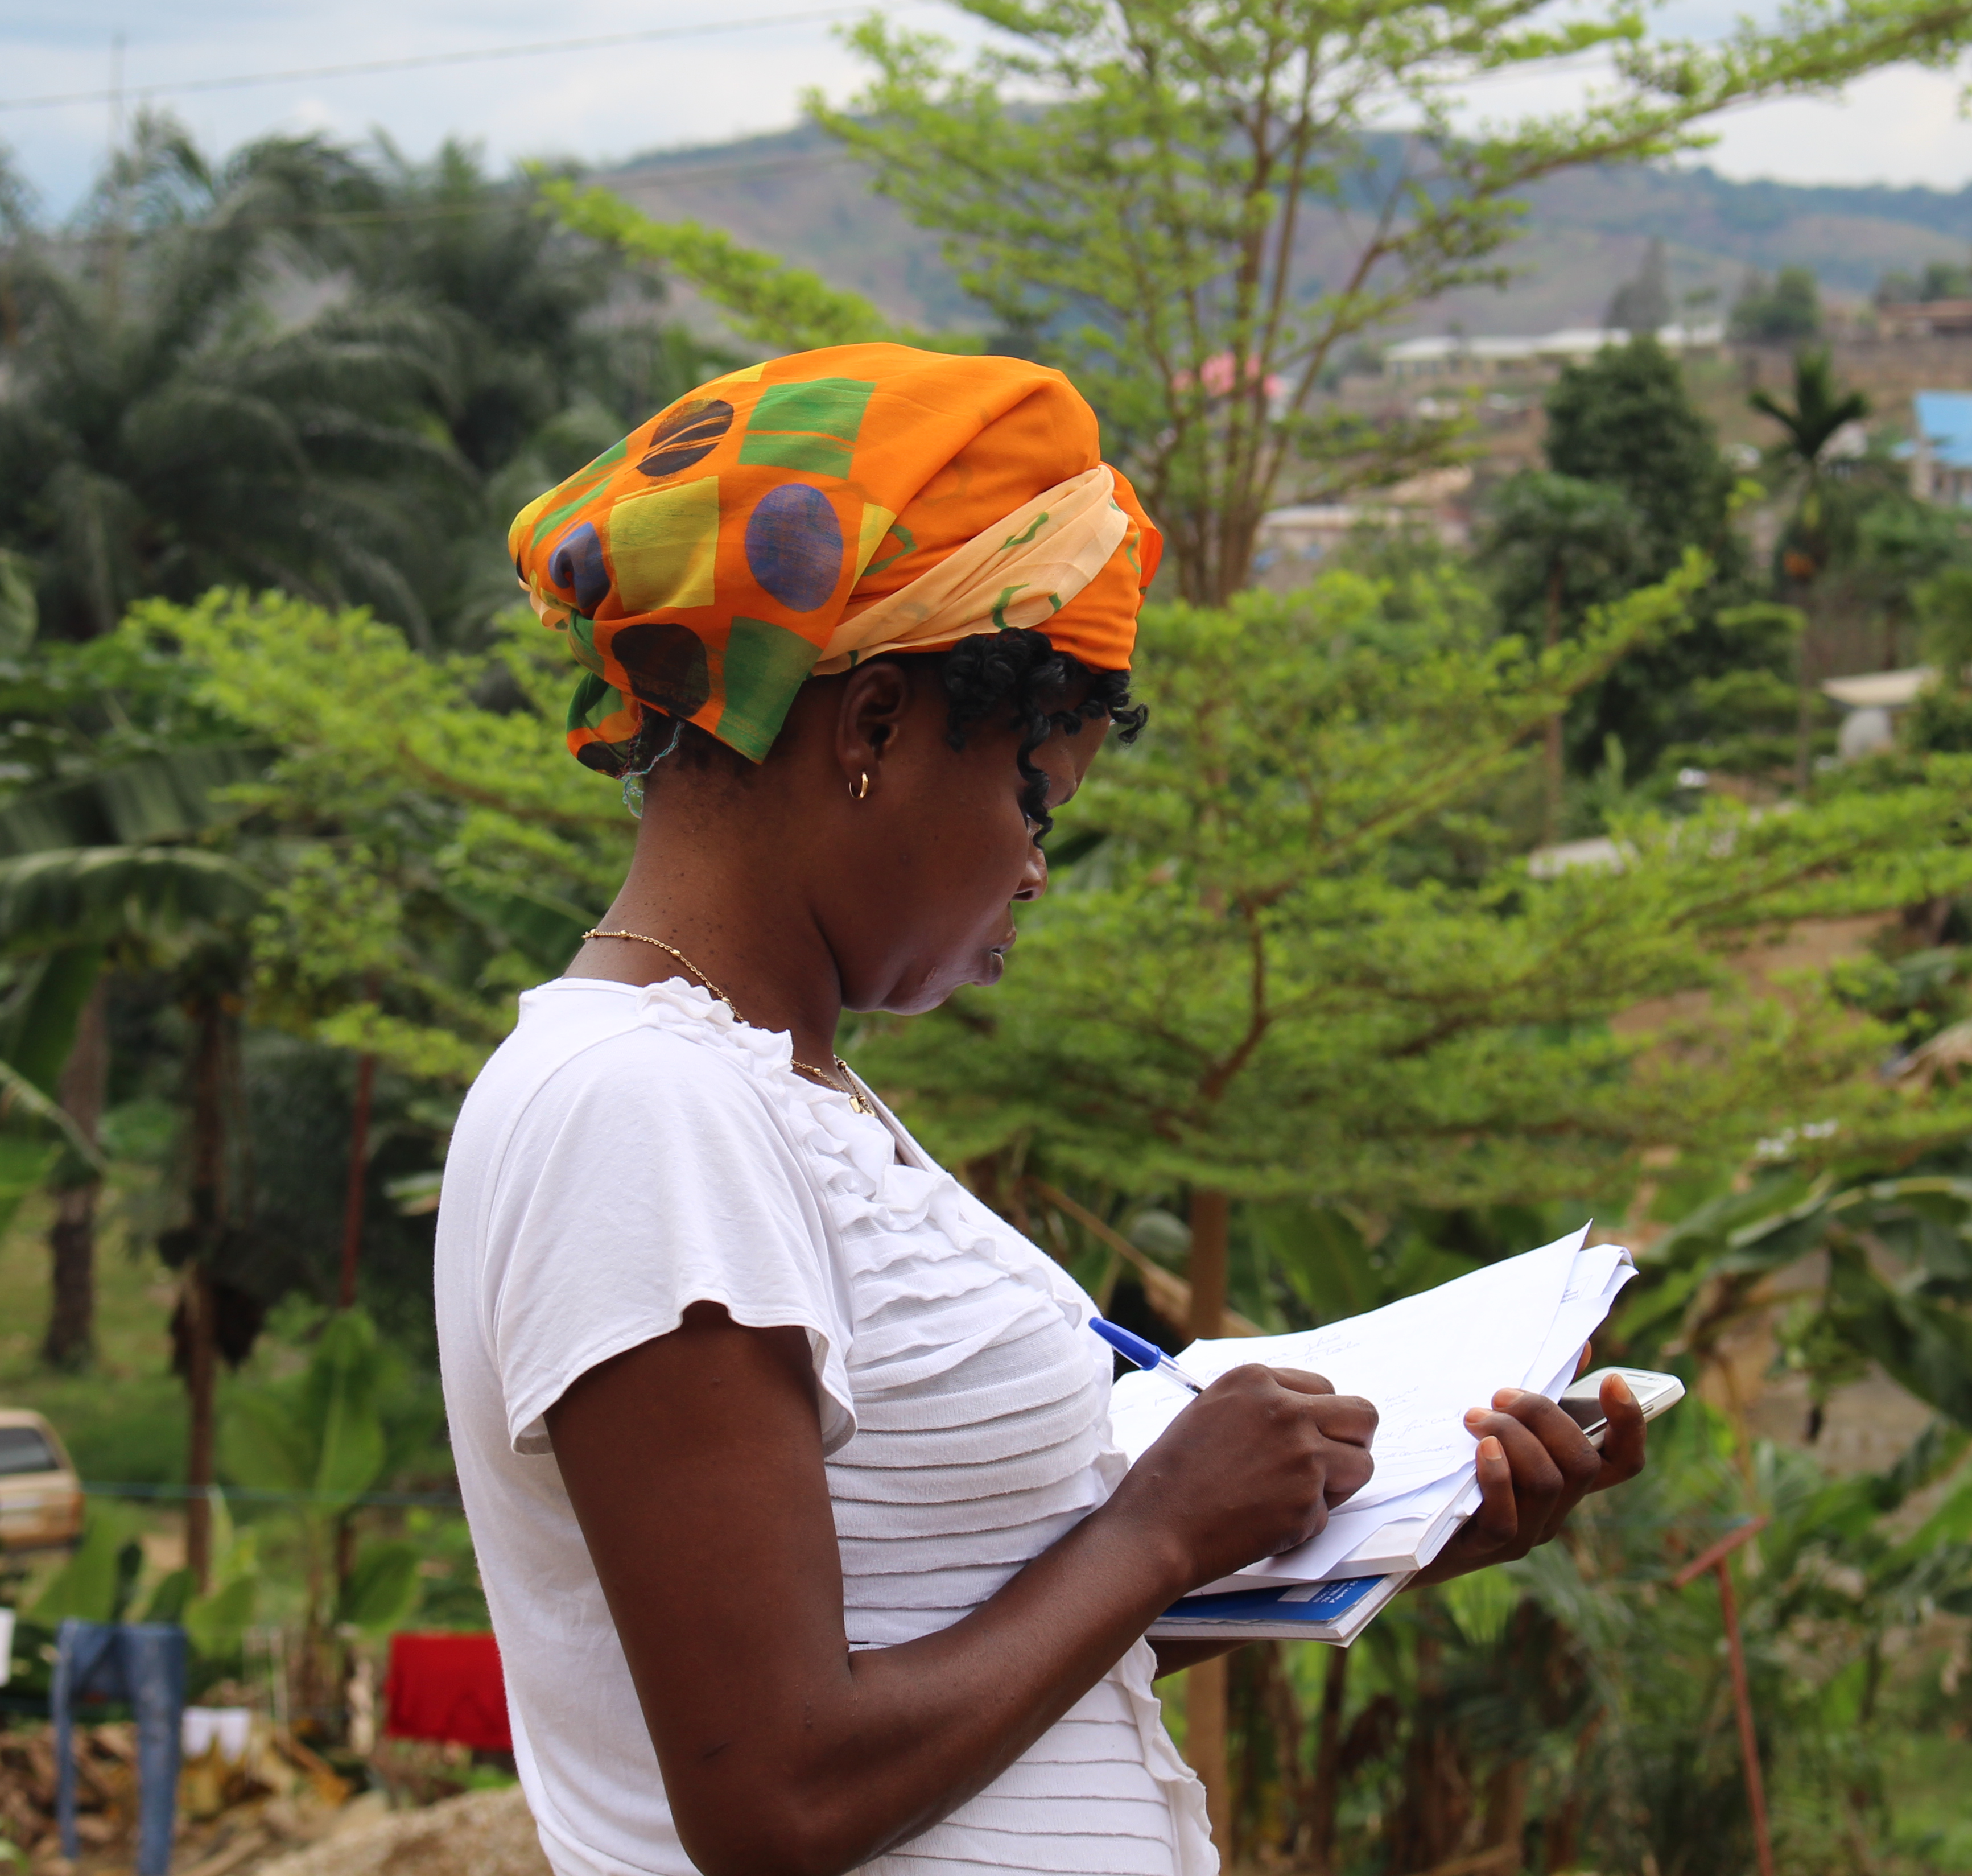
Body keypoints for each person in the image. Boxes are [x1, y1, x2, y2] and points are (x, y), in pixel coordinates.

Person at [435, 343, 1648, 1876]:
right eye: (1034, 795)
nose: (1034, 866)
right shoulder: (644, 1111)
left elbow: (972, 1648)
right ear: (872, 727)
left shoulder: (779, 1094)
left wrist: (1367, 1526)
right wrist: (1159, 1530)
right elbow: (779, 1798)